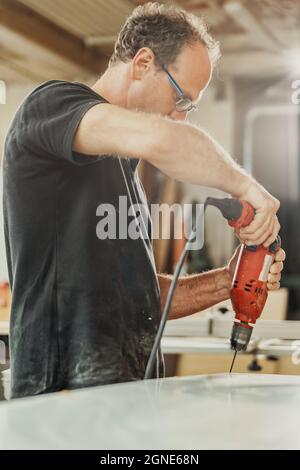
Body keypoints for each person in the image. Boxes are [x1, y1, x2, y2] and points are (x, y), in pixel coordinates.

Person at [3, 2, 285, 399]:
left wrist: (229, 281)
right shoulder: (51, 107)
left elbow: (138, 297)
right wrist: (246, 187)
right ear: (142, 63)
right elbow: (166, 139)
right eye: (181, 98)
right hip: (62, 402)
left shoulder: (123, 167)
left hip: (127, 402)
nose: (180, 115)